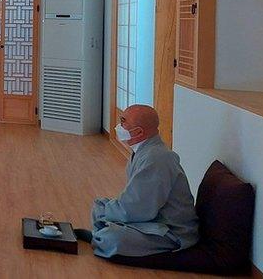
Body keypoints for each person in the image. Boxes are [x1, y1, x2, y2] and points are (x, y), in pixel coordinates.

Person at [75, 104, 199, 258]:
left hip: (170, 230)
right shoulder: (144, 151)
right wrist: (108, 209)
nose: (119, 126)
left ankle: (103, 236)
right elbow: (136, 200)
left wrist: (109, 212)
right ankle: (103, 233)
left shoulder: (157, 158)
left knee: (113, 238)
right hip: (150, 217)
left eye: (123, 121)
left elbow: (137, 208)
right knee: (99, 205)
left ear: (139, 132)